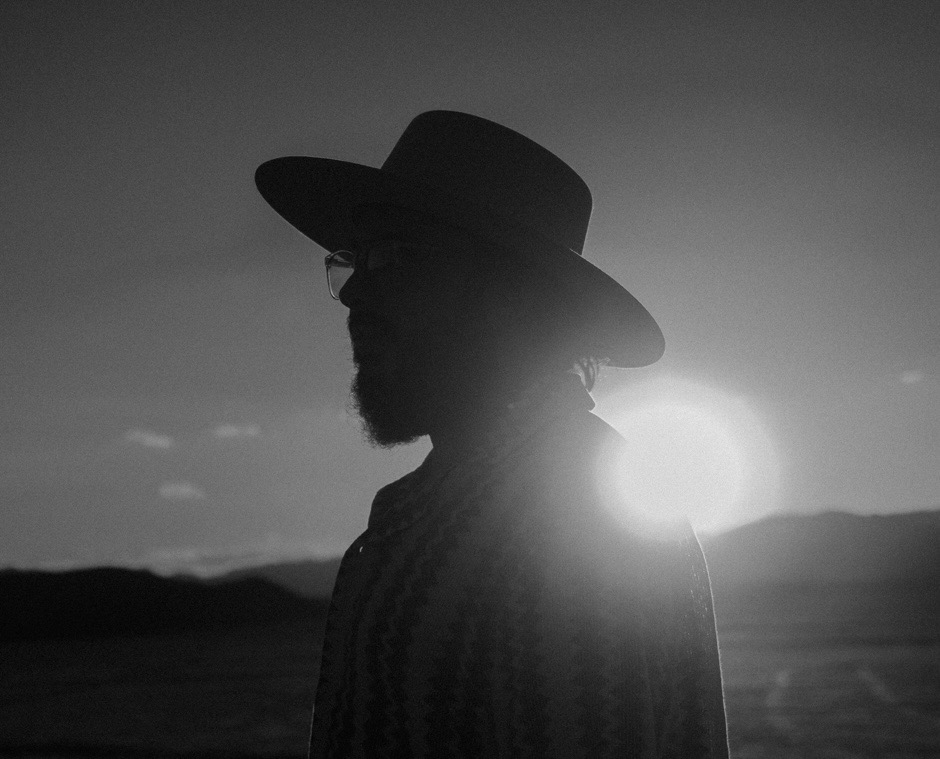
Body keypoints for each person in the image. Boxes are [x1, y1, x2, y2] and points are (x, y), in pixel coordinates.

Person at [255, 111, 728, 758]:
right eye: (351, 261)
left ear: (520, 300)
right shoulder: (415, 521)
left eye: (396, 257)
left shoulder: (573, 521)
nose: (357, 293)